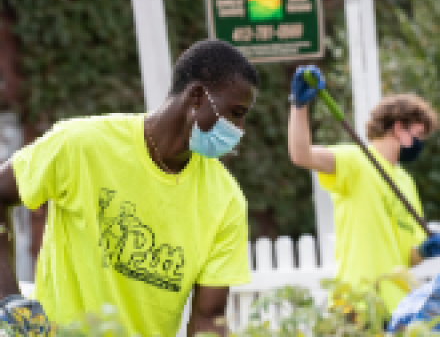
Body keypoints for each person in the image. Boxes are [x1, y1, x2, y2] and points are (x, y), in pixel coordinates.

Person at [0, 39, 259, 336]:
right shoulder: (81, 145)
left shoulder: (226, 201)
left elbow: (208, 320)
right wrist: (9, 299)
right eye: (236, 113)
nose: (239, 130)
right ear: (198, 97)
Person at [288, 65, 440, 315]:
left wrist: (424, 250)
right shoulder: (355, 162)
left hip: (399, 309)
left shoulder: (405, 181)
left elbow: (408, 256)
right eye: (418, 135)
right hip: (357, 306)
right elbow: (301, 155)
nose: (420, 144)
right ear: (399, 129)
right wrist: (298, 106)